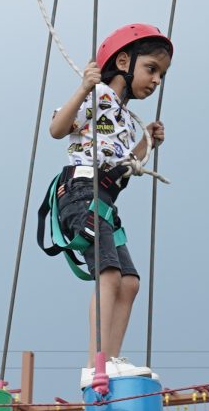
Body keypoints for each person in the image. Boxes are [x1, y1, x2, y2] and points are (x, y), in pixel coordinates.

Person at [41, 24, 171, 391]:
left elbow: (129, 164)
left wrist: (148, 143)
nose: (156, 80)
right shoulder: (97, 95)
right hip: (80, 191)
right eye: (151, 69)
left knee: (129, 282)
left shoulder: (128, 120)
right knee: (109, 274)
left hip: (104, 200)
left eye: (161, 74)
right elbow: (56, 128)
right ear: (124, 62)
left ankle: (110, 359)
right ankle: (95, 363)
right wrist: (84, 86)